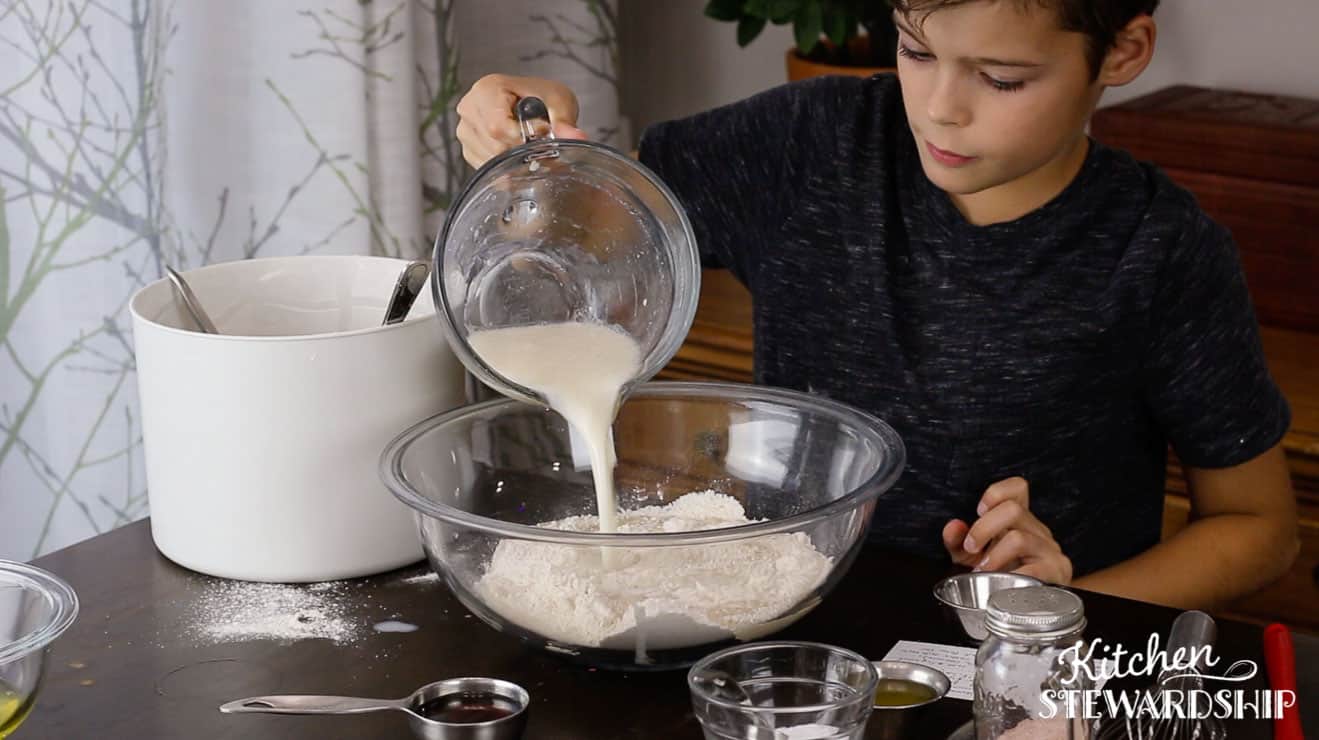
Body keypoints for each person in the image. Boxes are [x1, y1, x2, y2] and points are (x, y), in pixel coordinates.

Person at [453, 0, 1299, 610]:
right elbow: (600, 224)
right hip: (776, 623)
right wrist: (529, 143)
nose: (940, 108)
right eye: (916, 51)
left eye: (1001, 78)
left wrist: (1057, 610)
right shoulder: (807, 146)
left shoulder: (1161, 252)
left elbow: (1260, 528)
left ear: (1121, 51)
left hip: (1019, 668)